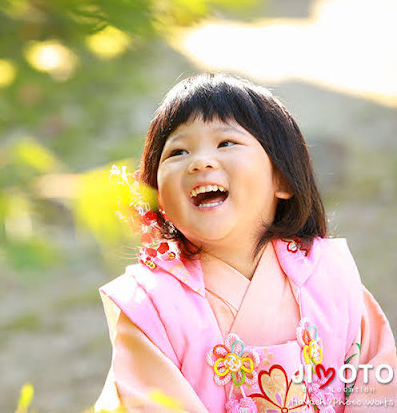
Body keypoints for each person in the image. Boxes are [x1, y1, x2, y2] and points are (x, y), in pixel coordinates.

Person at [95, 73, 397, 412]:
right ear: (157, 198)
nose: (200, 162)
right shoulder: (149, 306)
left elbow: (377, 382)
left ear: (281, 178)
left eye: (226, 143)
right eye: (178, 151)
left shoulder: (330, 276)